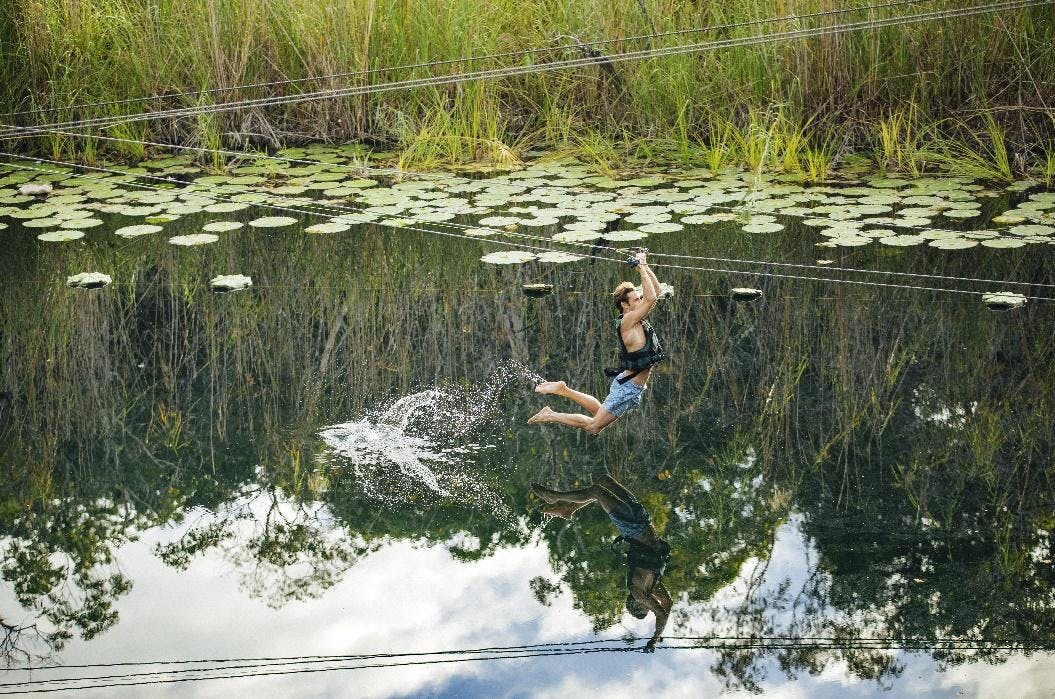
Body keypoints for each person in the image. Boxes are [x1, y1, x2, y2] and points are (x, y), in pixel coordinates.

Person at [528, 251, 665, 434]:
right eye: (635, 299)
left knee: (598, 412)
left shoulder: (636, 317)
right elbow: (652, 298)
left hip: (629, 384)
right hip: (629, 387)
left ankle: (563, 389)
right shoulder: (628, 321)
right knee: (594, 427)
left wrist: (645, 265)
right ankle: (550, 415)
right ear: (625, 305)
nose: (640, 301)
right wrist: (639, 267)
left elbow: (656, 292)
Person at [531, 474, 672, 652]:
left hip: (633, 527)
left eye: (646, 609)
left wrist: (654, 639)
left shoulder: (638, 592)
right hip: (641, 520)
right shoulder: (653, 586)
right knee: (604, 481)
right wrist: (659, 634)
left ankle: (555, 496)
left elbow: (660, 613)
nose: (650, 607)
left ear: (637, 604)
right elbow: (667, 605)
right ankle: (569, 510)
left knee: (597, 492)